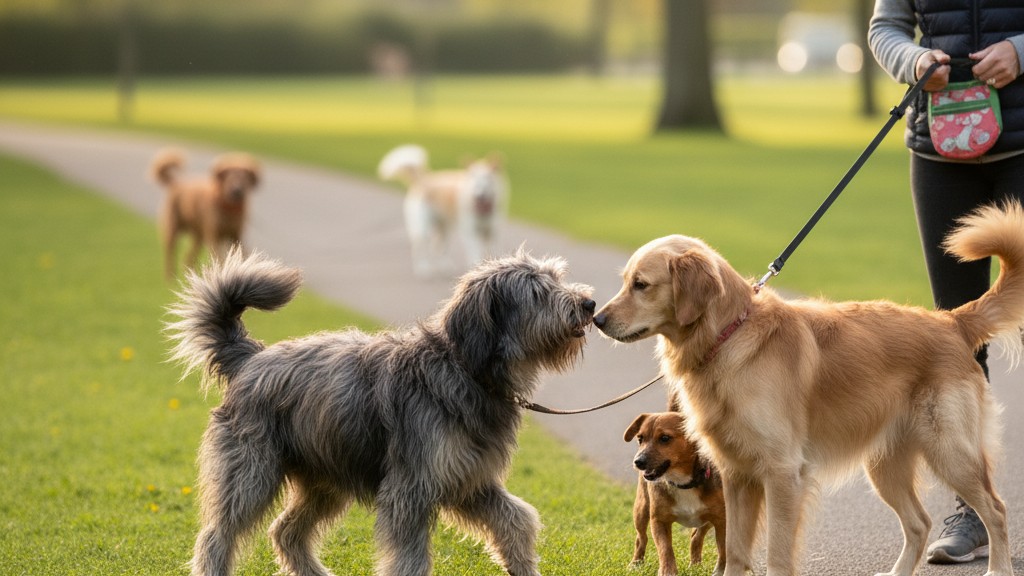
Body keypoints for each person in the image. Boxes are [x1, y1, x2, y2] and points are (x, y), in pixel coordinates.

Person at [868, 0, 1024, 565]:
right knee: (956, 336)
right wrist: (914, 62)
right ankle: (971, 510)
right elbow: (884, 28)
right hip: (940, 151)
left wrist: (1019, 52)